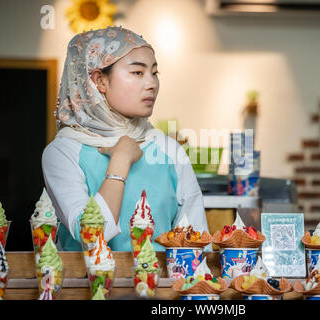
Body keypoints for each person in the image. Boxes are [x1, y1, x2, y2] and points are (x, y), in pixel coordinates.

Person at [42, 26, 208, 252]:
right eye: (138, 73)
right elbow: (92, 237)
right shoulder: (63, 152)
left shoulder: (168, 149)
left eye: (154, 73)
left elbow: (195, 242)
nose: (152, 83)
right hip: (87, 287)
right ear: (99, 80)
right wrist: (120, 160)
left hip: (161, 286)